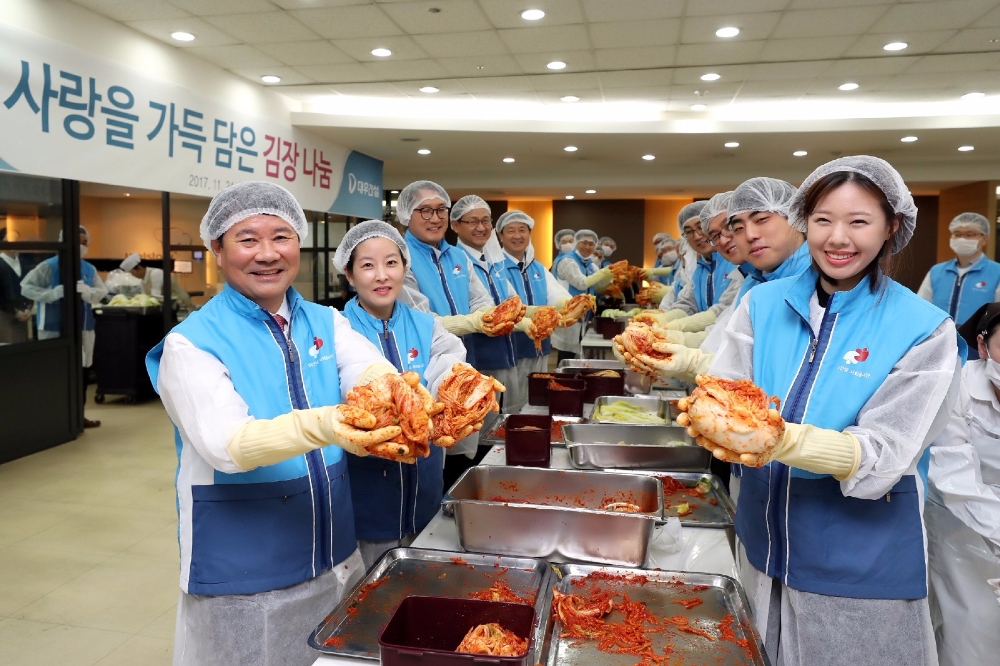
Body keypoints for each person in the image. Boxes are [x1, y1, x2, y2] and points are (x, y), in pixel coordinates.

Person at [675, 156, 962, 666]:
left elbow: (884, 452)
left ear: (892, 227)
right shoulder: (763, 305)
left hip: (857, 555)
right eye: (824, 220)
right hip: (764, 541)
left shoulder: (923, 329)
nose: (838, 238)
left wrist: (780, 439)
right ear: (804, 220)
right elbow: (725, 392)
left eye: (859, 222)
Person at [146, 181, 408, 666]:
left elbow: (371, 372)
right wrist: (334, 422)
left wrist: (396, 392)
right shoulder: (191, 344)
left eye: (281, 236)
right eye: (247, 239)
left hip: (332, 550)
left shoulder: (326, 322)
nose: (267, 253)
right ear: (217, 250)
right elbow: (231, 446)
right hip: (244, 567)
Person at [334, 220, 468, 570]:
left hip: (424, 484)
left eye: (391, 263)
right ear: (349, 275)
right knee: (369, 588)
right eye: (367, 265)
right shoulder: (336, 329)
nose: (381, 275)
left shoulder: (426, 325)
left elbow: (448, 370)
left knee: (421, 576)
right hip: (365, 494)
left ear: (405, 268)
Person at [925, 302, 1000, 666]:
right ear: (983, 347)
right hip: (957, 520)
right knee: (971, 627)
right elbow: (954, 478)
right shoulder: (957, 387)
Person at [21, 225, 107, 427]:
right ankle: (52, 418)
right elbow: (26, 287)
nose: (81, 246)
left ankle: (79, 415)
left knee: (82, 373)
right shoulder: (48, 266)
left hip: (84, 327)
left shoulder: (88, 268)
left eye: (85, 243)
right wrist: (51, 294)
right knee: (54, 372)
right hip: (53, 326)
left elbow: (101, 291)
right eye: (77, 242)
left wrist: (88, 292)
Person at [449, 195, 525, 413]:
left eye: (485, 221)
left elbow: (511, 304)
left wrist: (534, 316)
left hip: (505, 353)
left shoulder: (492, 263)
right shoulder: (458, 261)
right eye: (472, 222)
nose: (480, 227)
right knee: (482, 424)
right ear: (455, 225)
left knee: (504, 419)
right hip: (479, 357)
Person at [497, 210, 572, 410]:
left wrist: (570, 305)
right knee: (514, 404)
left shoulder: (537, 267)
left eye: (522, 230)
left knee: (538, 399)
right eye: (510, 231)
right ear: (500, 236)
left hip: (541, 346)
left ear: (529, 234)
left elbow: (556, 295)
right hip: (514, 346)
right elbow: (507, 305)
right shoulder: (496, 268)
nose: (517, 235)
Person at [646, 193, 740, 331]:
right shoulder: (700, 269)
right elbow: (687, 303)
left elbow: (726, 309)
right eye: (689, 232)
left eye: (700, 227)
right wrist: (660, 320)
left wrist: (679, 327)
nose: (696, 236)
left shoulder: (736, 262)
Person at [918, 212, 1000, 328]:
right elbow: (921, 308)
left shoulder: (996, 273)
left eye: (970, 234)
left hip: (978, 342)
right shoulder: (936, 272)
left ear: (984, 239)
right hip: (940, 341)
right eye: (957, 234)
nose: (962, 239)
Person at [552, 228, 613, 360]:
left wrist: (609, 277)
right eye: (584, 243)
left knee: (580, 355)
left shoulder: (590, 265)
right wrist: (603, 273)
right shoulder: (567, 261)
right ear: (576, 243)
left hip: (584, 317)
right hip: (568, 315)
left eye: (591, 244)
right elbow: (581, 283)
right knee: (566, 355)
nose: (587, 247)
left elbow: (599, 287)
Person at [120, 252, 194, 309]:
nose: (133, 275)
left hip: (180, 305)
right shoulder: (142, 281)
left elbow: (155, 296)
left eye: (132, 272)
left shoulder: (156, 273)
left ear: (139, 268)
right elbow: (146, 297)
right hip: (168, 307)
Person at [0, 227, 32, 343]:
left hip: (24, 314)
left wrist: (29, 307)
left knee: (22, 346)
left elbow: (30, 286)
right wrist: (14, 311)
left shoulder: (24, 263)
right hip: (4, 314)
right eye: (8, 240)